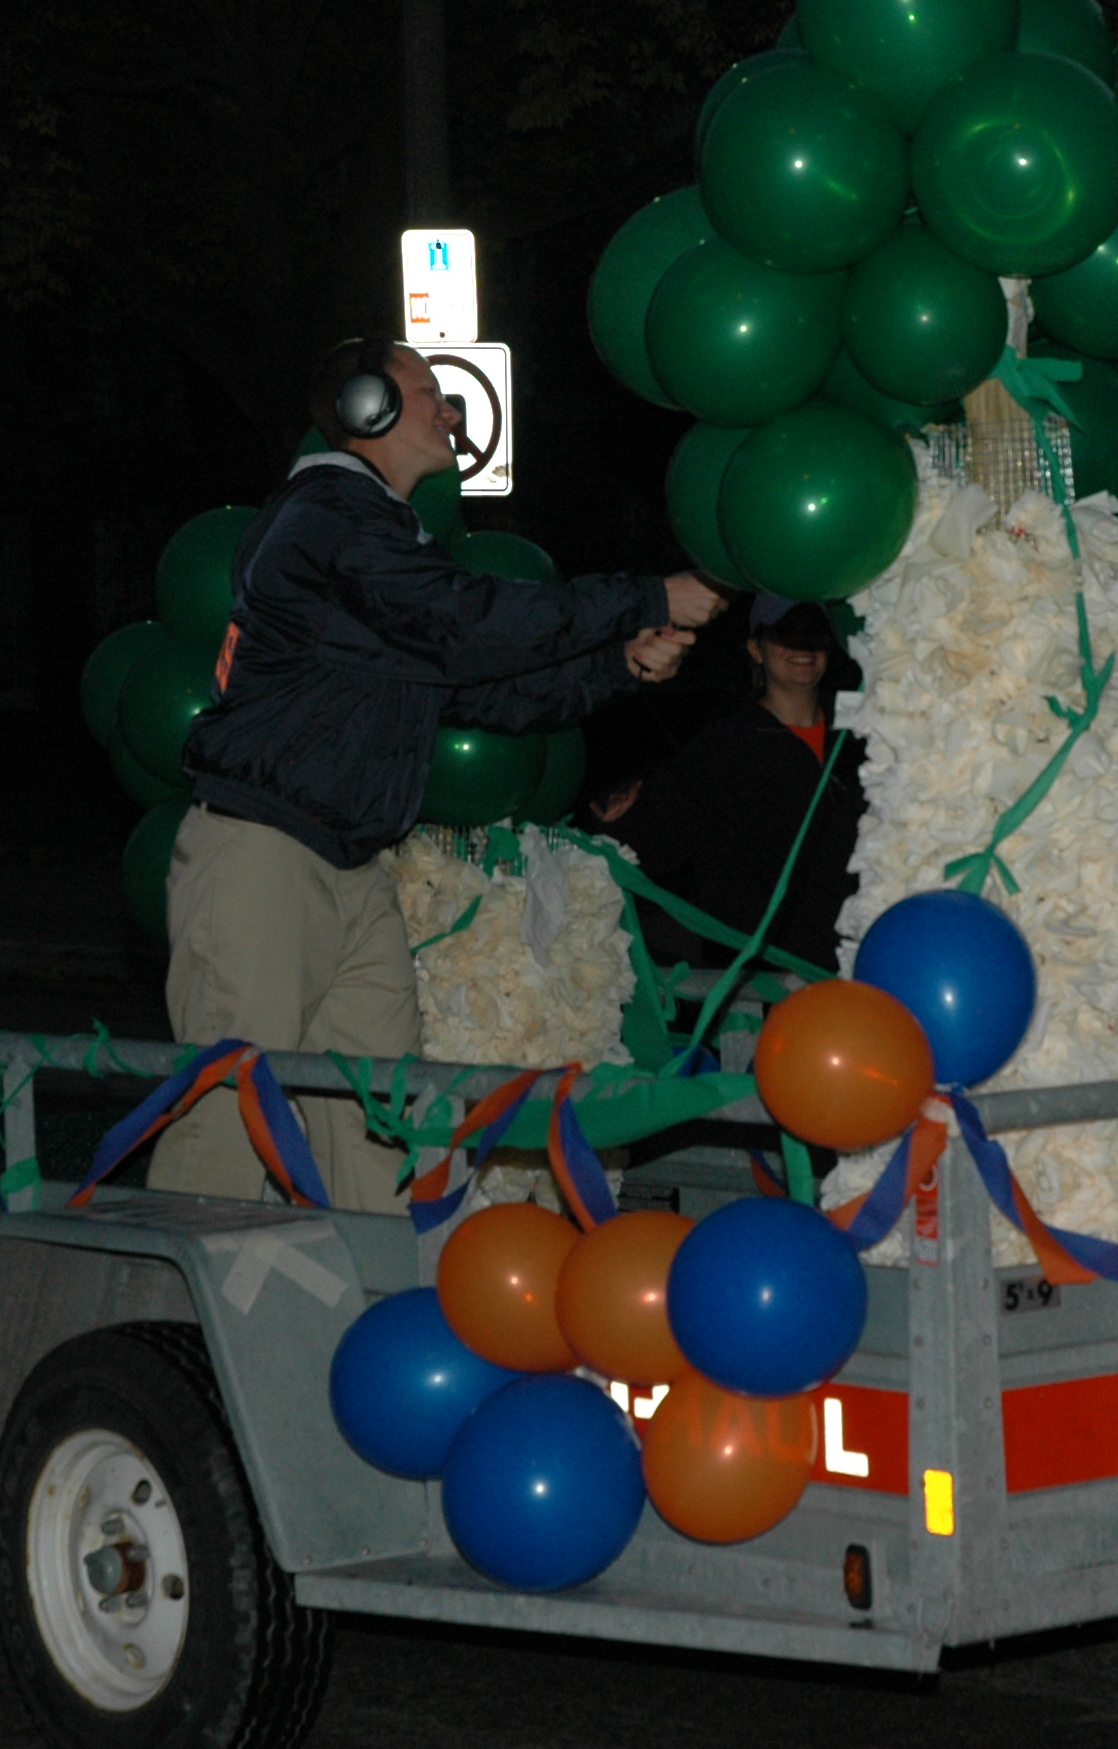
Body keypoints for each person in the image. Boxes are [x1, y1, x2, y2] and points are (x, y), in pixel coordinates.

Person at [153, 336, 725, 1211]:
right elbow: (465, 625)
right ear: (366, 408)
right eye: (428, 392)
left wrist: (619, 665)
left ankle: (377, 1283)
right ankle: (164, 1296)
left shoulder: (378, 540)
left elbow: (482, 692)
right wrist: (646, 597)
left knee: (380, 1115)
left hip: (349, 865)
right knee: (231, 1114)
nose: (450, 412)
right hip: (262, 855)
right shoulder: (327, 518)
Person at [594, 592, 866, 975]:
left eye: (814, 632)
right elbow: (650, 844)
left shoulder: (864, 735)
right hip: (772, 977)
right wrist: (615, 825)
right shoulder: (724, 747)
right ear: (756, 649)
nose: (802, 647)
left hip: (869, 959)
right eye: (785, 633)